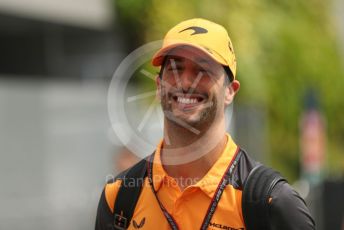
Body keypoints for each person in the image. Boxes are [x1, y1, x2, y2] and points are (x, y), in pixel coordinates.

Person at [96, 18, 315, 230]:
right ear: (159, 85)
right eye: (175, 69)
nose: (186, 82)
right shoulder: (119, 198)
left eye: (203, 70)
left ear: (230, 91)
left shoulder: (271, 202)